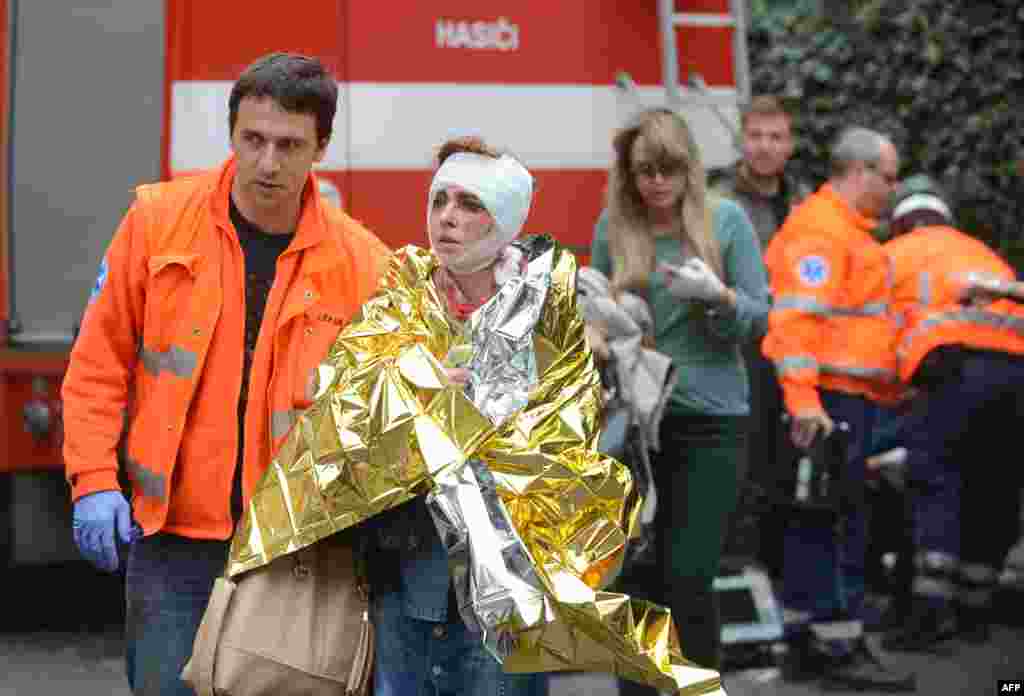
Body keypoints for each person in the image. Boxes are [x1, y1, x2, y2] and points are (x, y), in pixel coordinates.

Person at [61, 52, 390, 695]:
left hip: (295, 554)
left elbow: (376, 421)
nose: (268, 163)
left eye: (290, 145)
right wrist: (94, 481)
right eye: (254, 140)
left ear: (320, 147)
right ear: (232, 135)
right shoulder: (157, 225)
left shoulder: (362, 265)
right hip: (173, 541)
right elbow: (98, 364)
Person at [588, 106, 770, 681]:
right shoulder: (614, 227)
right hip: (636, 425)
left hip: (710, 421)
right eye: (645, 171)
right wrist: (605, 322)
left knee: (687, 575)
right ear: (629, 173)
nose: (658, 183)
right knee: (635, 574)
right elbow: (588, 325)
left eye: (669, 169)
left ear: (689, 168)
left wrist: (717, 296)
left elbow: (760, 319)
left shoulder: (728, 222)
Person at [761, 126, 916, 690]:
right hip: (828, 401)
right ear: (858, 171)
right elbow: (795, 324)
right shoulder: (823, 233)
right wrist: (805, 403)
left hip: (843, 399)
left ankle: (812, 641)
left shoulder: (842, 231)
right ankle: (836, 645)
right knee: (835, 523)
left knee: (819, 521)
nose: (893, 189)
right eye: (889, 177)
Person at [879, 175, 1024, 651]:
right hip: (1015, 376)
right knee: (992, 485)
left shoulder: (893, 255)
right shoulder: (982, 253)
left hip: (950, 373)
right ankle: (975, 608)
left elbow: (876, 332)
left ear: (900, 221)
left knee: (936, 480)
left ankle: (931, 615)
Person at [708, 94, 812, 575]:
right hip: (737, 347)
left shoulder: (805, 202)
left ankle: (775, 569)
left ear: (790, 144)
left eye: (776, 137)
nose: (765, 146)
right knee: (739, 462)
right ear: (741, 139)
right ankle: (733, 568)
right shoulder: (715, 200)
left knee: (784, 464)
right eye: (756, 136)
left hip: (793, 352)